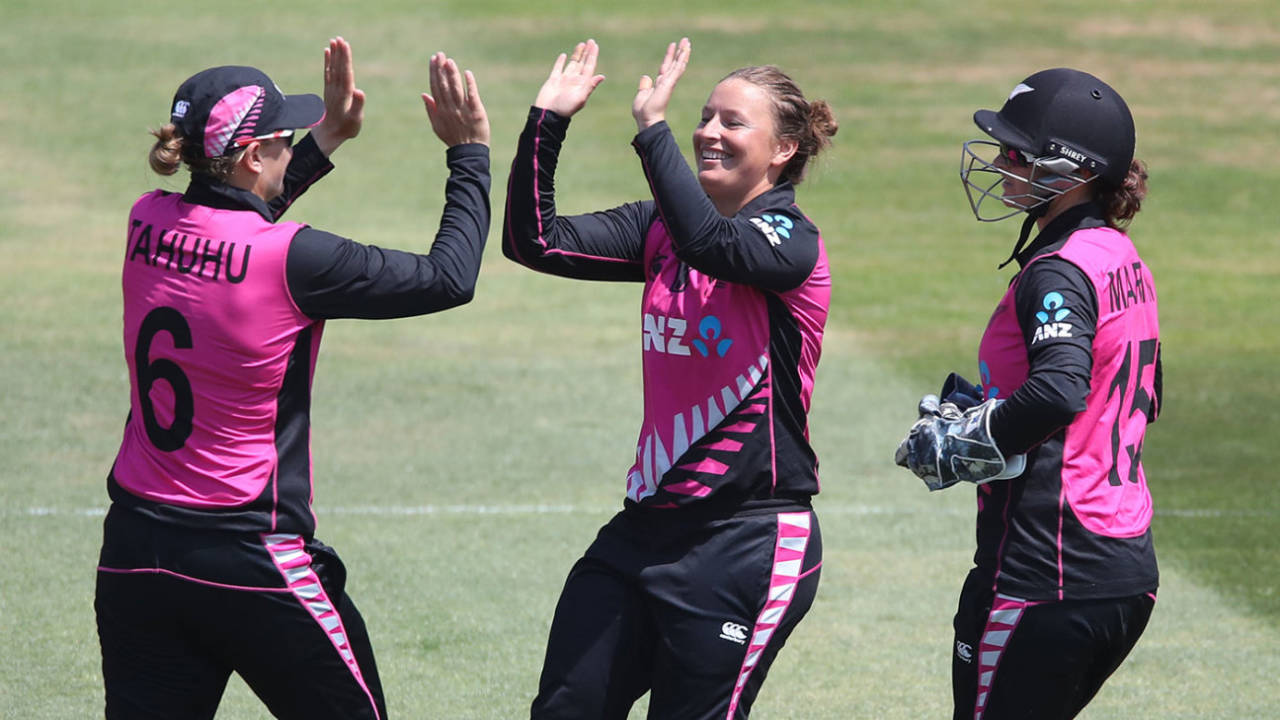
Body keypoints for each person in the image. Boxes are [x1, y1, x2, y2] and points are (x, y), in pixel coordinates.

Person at [95, 38, 490, 719]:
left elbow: (231, 216)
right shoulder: (295, 259)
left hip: (134, 553)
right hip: (250, 558)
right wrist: (470, 154)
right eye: (287, 138)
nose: (293, 145)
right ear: (252, 155)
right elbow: (448, 278)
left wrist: (329, 138)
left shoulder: (145, 221)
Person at [503, 38, 837, 719]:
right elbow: (531, 241)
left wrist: (652, 132)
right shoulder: (661, 230)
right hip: (643, 533)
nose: (708, 132)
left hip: (746, 543)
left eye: (732, 122)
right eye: (705, 116)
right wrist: (547, 123)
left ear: (782, 151)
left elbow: (713, 245)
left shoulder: (789, 243)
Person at [894, 68, 1161, 720]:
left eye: (1017, 152)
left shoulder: (1057, 273)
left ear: (1068, 171)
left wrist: (968, 442)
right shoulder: (1118, 257)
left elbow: (1059, 392)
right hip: (1121, 572)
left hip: (1046, 573)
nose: (1002, 162)